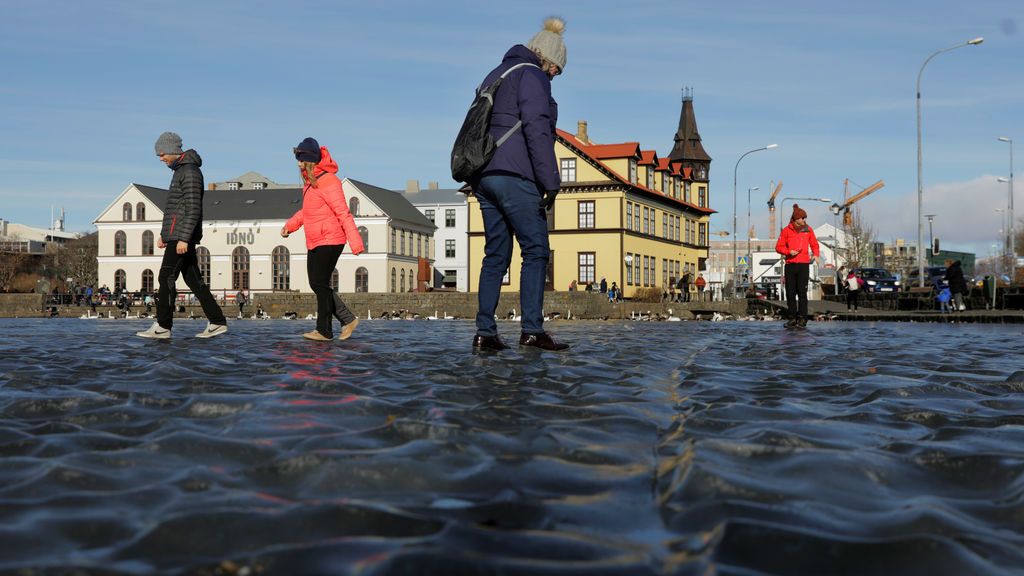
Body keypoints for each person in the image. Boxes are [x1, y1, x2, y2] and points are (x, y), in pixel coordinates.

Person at [470, 17, 569, 352]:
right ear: (546, 58)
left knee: (496, 254)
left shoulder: (496, 73)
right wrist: (550, 181)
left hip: (483, 175)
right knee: (536, 250)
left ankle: (485, 333)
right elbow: (537, 129)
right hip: (515, 174)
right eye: (557, 68)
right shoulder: (532, 75)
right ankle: (531, 330)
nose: (555, 75)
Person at [137, 132, 228, 339]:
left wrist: (183, 238)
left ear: (172, 151)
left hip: (182, 237)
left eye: (161, 154)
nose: (160, 158)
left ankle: (163, 326)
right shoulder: (181, 171)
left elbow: (193, 208)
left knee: (165, 276)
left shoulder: (190, 172)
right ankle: (217, 321)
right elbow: (176, 209)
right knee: (194, 281)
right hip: (176, 236)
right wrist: (165, 235)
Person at [282, 137, 365, 341]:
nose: (298, 163)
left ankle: (324, 331)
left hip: (331, 239)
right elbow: (308, 212)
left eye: (301, 159)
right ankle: (347, 319)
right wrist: (289, 226)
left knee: (319, 283)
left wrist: (356, 243)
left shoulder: (329, 181)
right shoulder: (311, 183)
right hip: (316, 239)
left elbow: (343, 212)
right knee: (317, 283)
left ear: (309, 160)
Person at [775, 204, 820, 327]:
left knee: (802, 292)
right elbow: (778, 247)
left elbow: (815, 245)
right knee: (790, 293)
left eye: (805, 218)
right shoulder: (786, 230)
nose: (805, 220)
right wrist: (788, 252)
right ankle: (792, 318)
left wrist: (816, 255)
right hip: (790, 265)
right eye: (803, 218)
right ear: (796, 219)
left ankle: (802, 318)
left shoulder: (808, 230)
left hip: (803, 265)